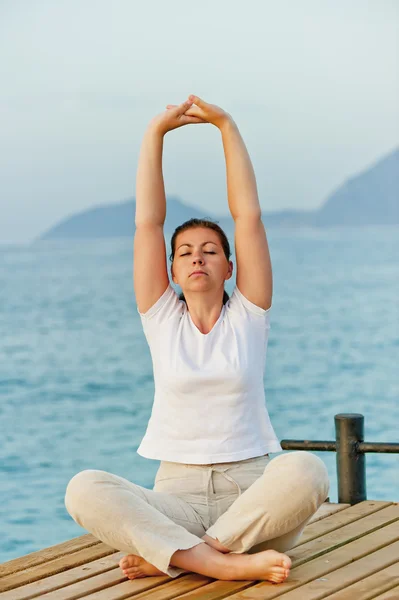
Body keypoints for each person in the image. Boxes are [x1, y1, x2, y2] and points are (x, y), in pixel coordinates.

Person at [65, 94, 330, 584]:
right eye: (185, 253)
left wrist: (225, 125)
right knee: (84, 489)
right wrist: (155, 132)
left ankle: (184, 557)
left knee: (308, 471)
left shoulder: (249, 315)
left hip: (253, 504)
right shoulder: (161, 315)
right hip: (176, 499)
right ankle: (215, 562)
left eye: (211, 251)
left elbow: (247, 216)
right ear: (172, 272)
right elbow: (149, 222)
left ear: (230, 267)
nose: (198, 258)